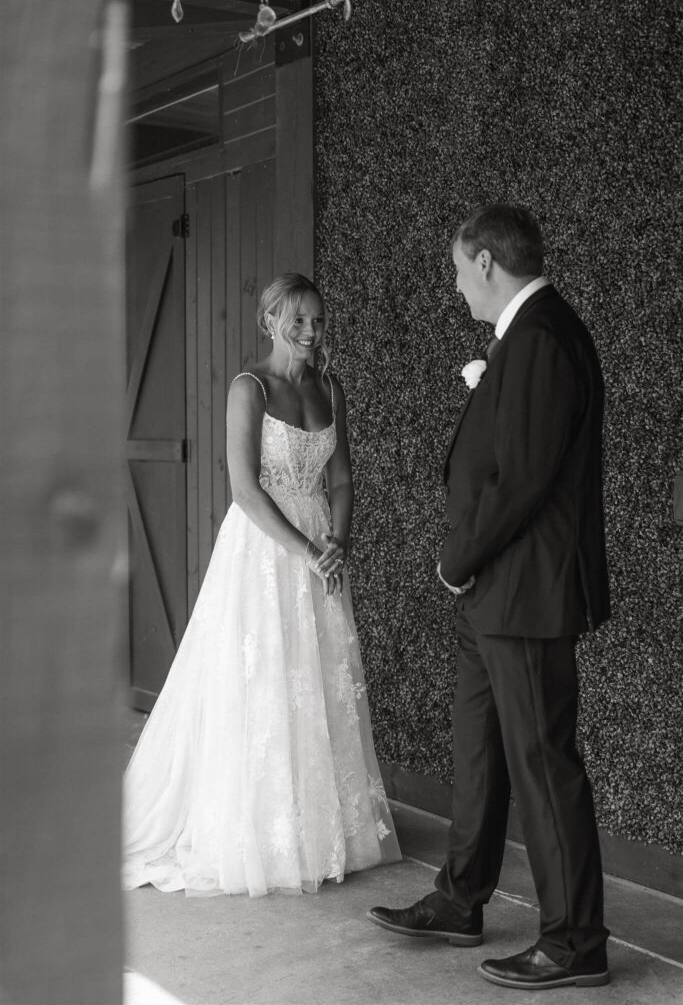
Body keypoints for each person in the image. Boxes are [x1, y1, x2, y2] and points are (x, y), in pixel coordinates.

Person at [368, 205, 611, 990]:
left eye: (455, 269)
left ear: (482, 262)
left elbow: (521, 481)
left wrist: (453, 561)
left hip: (524, 592)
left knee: (542, 765)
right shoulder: (529, 334)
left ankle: (575, 943)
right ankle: (460, 896)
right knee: (478, 751)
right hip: (495, 594)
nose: (455, 286)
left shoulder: (540, 336)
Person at [123, 272, 401, 897]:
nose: (309, 332)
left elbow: (344, 478)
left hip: (322, 549)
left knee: (317, 676)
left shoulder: (331, 386)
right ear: (269, 321)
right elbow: (245, 490)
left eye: (318, 321)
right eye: (296, 320)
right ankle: (260, 830)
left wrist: (340, 543)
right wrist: (307, 551)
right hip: (265, 549)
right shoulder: (249, 388)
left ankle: (322, 826)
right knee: (263, 676)